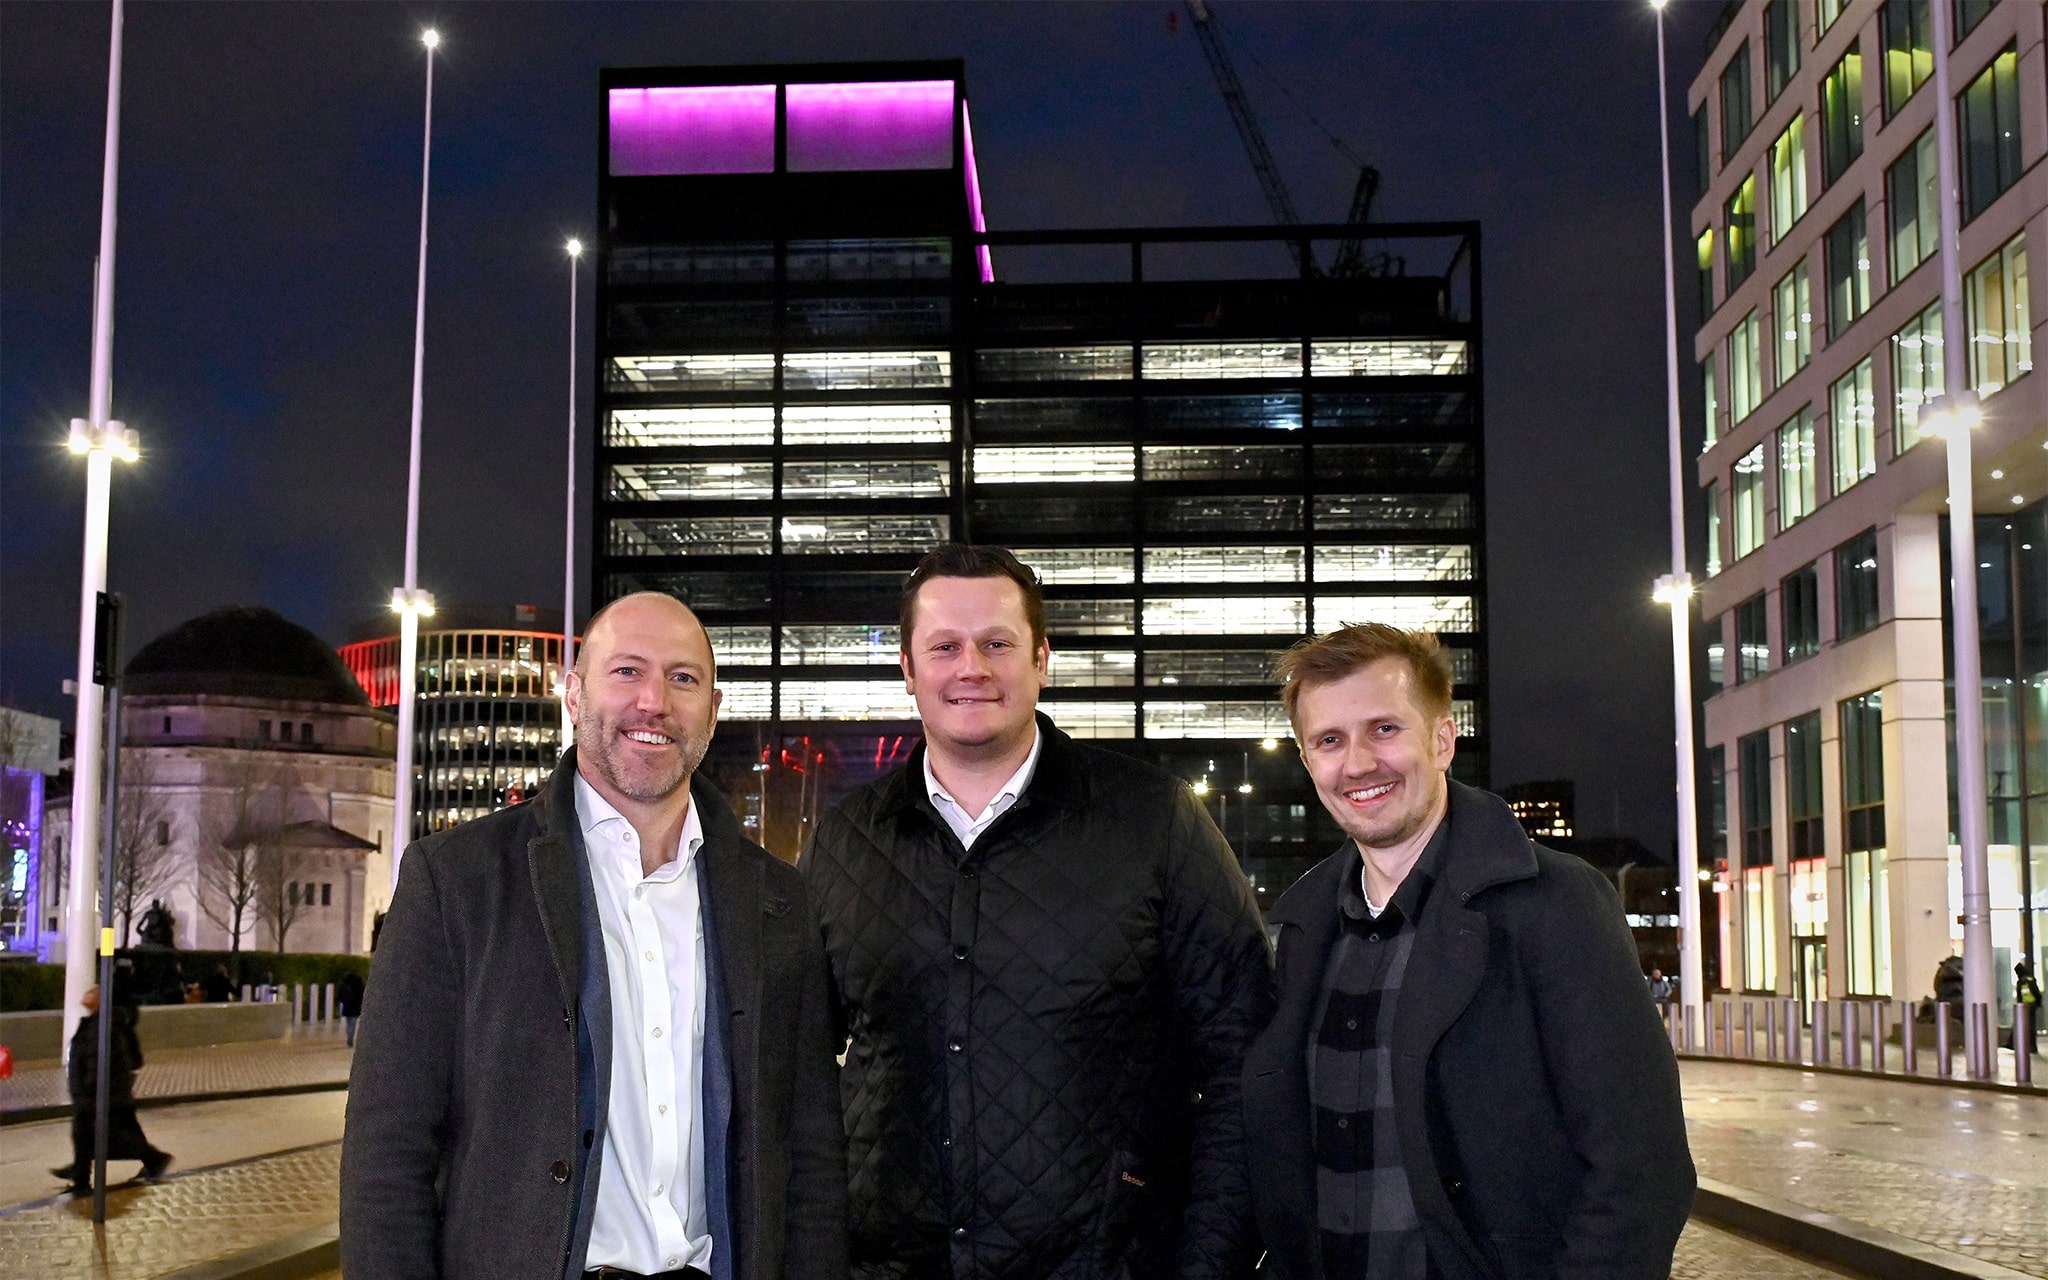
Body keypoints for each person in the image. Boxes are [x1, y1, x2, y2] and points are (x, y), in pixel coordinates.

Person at [341, 591, 848, 1280]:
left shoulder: (777, 900)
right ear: (574, 695)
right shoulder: (457, 882)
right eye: (627, 672)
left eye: (684, 679)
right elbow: (387, 1154)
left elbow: (810, 1156)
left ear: (713, 710)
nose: (655, 703)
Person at [802, 543, 1274, 1280]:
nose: (972, 669)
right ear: (907, 670)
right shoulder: (846, 838)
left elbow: (1246, 1061)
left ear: (1042, 659)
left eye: (998, 644)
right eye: (945, 647)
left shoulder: (1153, 822)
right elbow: (796, 1068)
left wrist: (1207, 1265)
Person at [1243, 623, 1694, 1280]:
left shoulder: (1555, 905)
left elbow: (1641, 1173)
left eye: (1385, 729)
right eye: (1330, 741)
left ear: (1442, 740)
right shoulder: (1305, 928)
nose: (1359, 763)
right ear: (1308, 761)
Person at [51, 982, 172, 1194]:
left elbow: (101, 1061)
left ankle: (154, 1159)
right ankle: (80, 1179)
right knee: (85, 1136)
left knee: (113, 1139)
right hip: (95, 1095)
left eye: (93, 991)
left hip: (101, 1095)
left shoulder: (105, 1026)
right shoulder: (97, 1023)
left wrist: (90, 1091)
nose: (87, 993)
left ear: (103, 999)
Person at [334, 969, 365, 1048]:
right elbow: (362, 994)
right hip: (355, 1007)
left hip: (347, 1006)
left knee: (348, 1024)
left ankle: (349, 1038)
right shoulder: (358, 983)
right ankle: (350, 1039)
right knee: (353, 1023)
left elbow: (339, 995)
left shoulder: (345, 983)